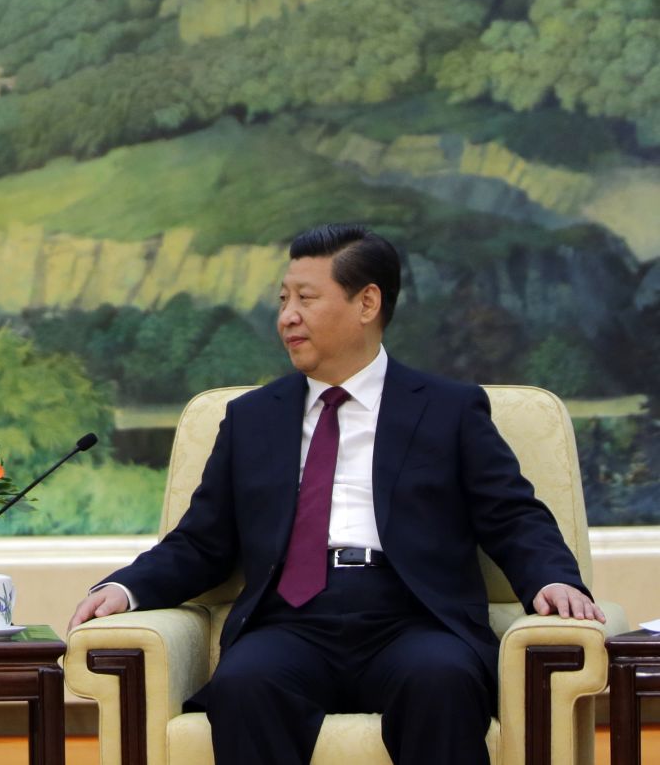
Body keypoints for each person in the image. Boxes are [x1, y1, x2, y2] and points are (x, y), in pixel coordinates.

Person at [69, 224, 603, 765]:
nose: (287, 317)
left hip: (412, 617)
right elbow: (202, 541)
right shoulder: (251, 418)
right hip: (290, 621)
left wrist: (553, 579)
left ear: (367, 302)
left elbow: (511, 515)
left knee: (441, 681)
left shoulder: (447, 409)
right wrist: (126, 588)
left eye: (306, 298)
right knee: (244, 684)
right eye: (283, 300)